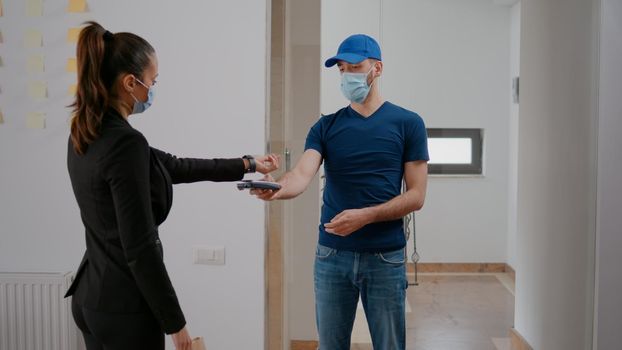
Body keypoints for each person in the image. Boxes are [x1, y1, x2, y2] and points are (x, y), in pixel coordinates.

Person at [65, 21, 279, 350]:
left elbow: (176, 166)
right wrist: (175, 323)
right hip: (126, 309)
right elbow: (139, 246)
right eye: (153, 81)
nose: (153, 89)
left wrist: (247, 163)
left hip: (91, 298)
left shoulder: (86, 132)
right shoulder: (125, 143)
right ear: (129, 83)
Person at [253, 34, 429, 349]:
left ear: (377, 69)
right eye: (342, 69)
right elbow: (302, 174)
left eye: (356, 67)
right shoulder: (325, 127)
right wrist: (277, 189)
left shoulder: (408, 123)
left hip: (385, 256)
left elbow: (416, 195)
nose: (348, 75)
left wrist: (368, 216)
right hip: (331, 256)